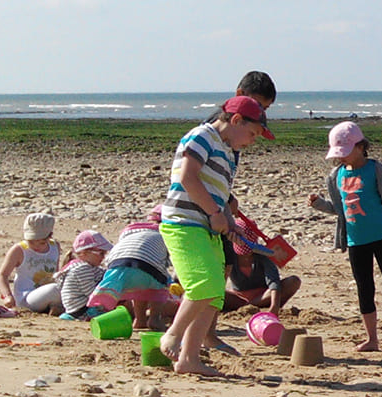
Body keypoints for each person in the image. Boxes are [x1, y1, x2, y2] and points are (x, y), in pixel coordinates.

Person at [158, 96, 273, 376]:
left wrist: (228, 221)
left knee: (213, 297)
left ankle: (189, 359)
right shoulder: (202, 136)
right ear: (235, 120)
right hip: (184, 223)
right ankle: (173, 335)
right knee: (202, 284)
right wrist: (213, 213)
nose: (251, 141)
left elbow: (218, 196)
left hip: (207, 226)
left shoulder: (227, 151)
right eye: (251, 134)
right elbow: (187, 177)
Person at [309, 122, 382, 352]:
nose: (340, 158)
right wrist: (319, 205)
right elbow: (340, 209)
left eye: (345, 152)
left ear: (360, 147)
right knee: (364, 288)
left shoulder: (377, 171)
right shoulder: (335, 176)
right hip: (355, 241)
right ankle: (372, 339)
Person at [86, 211, 180, 328]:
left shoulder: (132, 230)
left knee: (138, 289)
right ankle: (155, 319)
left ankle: (139, 320)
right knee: (160, 284)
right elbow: (168, 260)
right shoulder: (166, 234)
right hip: (145, 265)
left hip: (116, 264)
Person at [0, 214, 61, 313]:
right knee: (55, 288)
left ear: (50, 236)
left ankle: (54, 306)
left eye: (42, 243)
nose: (36, 246)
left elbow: (56, 272)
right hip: (26, 298)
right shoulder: (20, 250)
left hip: (47, 292)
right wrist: (7, 296)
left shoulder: (54, 246)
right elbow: (2, 275)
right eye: (31, 241)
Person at [54, 231, 113, 318]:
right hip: (81, 312)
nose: (103, 257)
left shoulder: (90, 267)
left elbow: (104, 273)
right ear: (83, 253)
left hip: (83, 309)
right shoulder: (82, 269)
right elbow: (93, 294)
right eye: (101, 253)